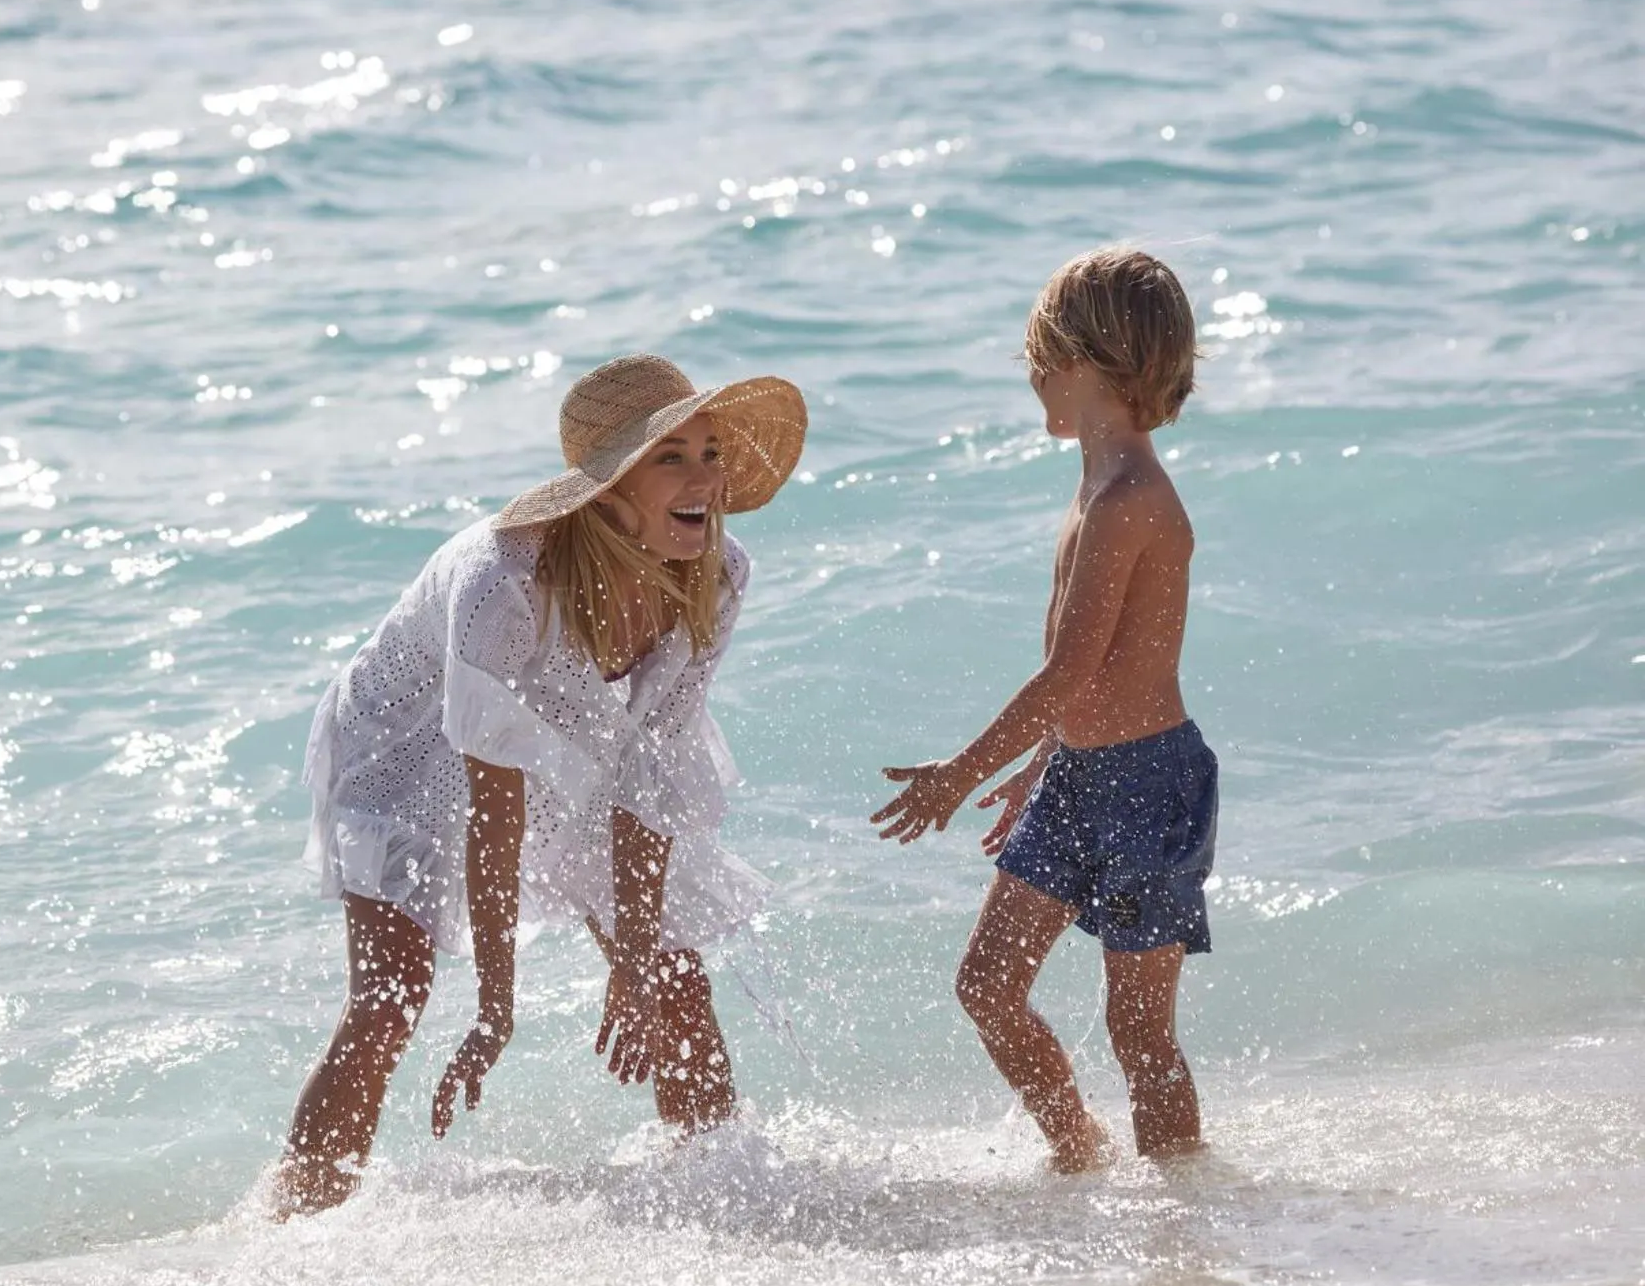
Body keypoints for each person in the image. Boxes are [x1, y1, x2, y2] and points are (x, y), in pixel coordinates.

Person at [277, 353, 806, 1214]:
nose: (704, 478)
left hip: (569, 738)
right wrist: (495, 1011)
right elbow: (497, 814)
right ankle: (293, 1224)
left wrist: (632, 958)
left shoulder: (716, 572)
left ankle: (720, 1207)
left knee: (673, 980)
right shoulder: (502, 582)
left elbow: (651, 776)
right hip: (405, 748)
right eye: (670, 455)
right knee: (389, 1000)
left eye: (711, 452)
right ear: (607, 485)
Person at [871, 247, 1218, 1172]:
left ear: (1086, 362)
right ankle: (1081, 1152)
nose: (1030, 379)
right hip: (1078, 769)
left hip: (1147, 778)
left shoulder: (1131, 501)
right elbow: (1090, 680)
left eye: (1038, 359)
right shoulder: (1094, 487)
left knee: (1138, 1031)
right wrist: (1044, 763)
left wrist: (960, 772)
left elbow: (1067, 671)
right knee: (987, 984)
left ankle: (1183, 1209)